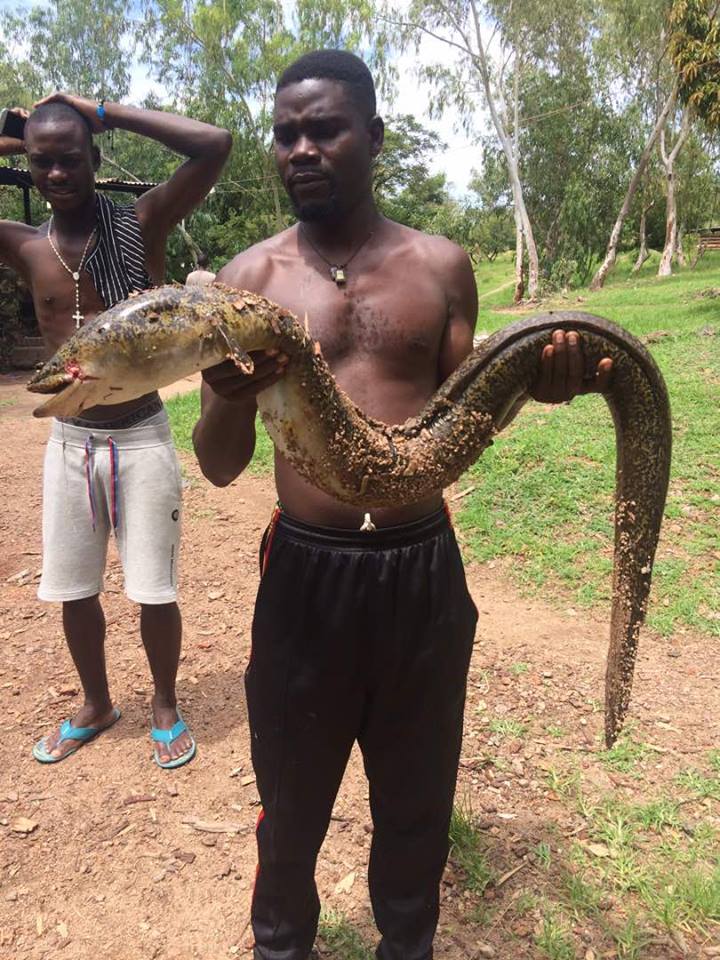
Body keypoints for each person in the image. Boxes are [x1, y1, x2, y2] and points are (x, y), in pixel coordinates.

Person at [193, 50, 612, 960]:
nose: (300, 149)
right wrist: (227, 395)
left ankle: (407, 946)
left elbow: (469, 415)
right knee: (291, 810)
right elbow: (219, 467)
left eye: (325, 129)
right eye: (285, 134)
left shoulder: (441, 266)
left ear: (374, 137)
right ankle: (280, 947)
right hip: (304, 575)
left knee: (417, 808)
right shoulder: (248, 279)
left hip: (422, 571)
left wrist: (545, 378)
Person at [0, 94, 231, 767]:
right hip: (70, 444)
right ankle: (96, 703)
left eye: (71, 159)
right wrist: (21, 135)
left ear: (95, 159)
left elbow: (213, 144)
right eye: (43, 164)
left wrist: (103, 112)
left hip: (140, 436)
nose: (57, 174)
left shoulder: (140, 222)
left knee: (153, 586)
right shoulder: (24, 246)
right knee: (73, 587)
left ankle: (164, 701)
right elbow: (39, 156)